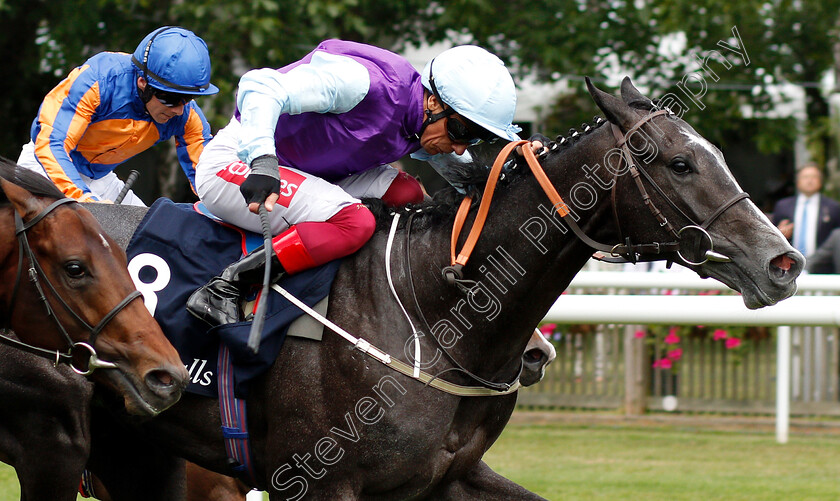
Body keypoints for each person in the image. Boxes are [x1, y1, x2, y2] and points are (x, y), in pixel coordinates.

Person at [186, 39, 543, 326]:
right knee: (355, 222)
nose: (462, 145)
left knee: (410, 195)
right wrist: (263, 160)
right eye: (462, 130)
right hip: (239, 163)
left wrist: (521, 177)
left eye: (476, 137)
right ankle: (228, 286)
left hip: (312, 173)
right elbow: (259, 86)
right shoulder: (363, 83)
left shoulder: (424, 118)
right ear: (433, 100)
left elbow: (467, 176)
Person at [17, 26, 218, 206]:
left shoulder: (186, 114)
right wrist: (85, 200)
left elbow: (209, 179)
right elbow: (52, 143)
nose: (179, 110)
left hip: (101, 180)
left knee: (152, 239)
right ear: (143, 83)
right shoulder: (98, 80)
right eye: (172, 98)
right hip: (43, 167)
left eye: (188, 98)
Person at [771, 163, 840, 273]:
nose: (809, 181)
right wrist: (779, 234)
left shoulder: (833, 208)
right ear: (798, 182)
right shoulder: (783, 206)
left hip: (822, 271)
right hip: (788, 269)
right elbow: (770, 239)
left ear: (820, 181)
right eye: (805, 177)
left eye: (814, 177)